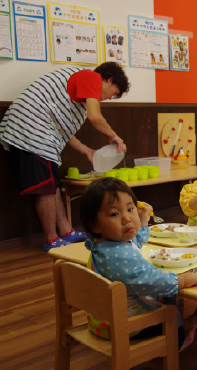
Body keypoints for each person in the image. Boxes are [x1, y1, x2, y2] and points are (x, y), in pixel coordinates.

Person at [0, 62, 130, 251]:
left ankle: (65, 231)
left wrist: (87, 150)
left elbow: (63, 131)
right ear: (109, 80)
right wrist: (114, 136)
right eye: (113, 92)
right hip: (31, 128)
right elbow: (96, 117)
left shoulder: (80, 93)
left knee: (53, 185)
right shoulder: (91, 77)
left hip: (35, 130)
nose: (110, 98)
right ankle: (51, 239)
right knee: (45, 188)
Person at [80, 177, 197, 353]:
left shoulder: (105, 245)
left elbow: (136, 240)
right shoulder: (118, 257)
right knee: (170, 314)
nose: (127, 219)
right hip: (124, 325)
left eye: (130, 209)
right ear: (95, 225)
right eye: (115, 214)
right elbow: (151, 281)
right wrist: (181, 280)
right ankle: (173, 348)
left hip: (102, 320)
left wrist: (143, 221)